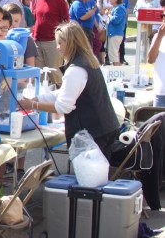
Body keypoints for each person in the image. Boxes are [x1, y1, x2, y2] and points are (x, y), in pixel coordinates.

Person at [18, 22, 119, 160]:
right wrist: (38, 99)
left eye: (60, 43)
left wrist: (33, 105)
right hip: (103, 128)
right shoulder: (88, 61)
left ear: (71, 43)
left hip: (93, 133)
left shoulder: (76, 68)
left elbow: (63, 106)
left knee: (90, 178)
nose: (57, 47)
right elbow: (65, 92)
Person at [31, 0, 69, 85]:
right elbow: (36, 19)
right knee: (40, 72)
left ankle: (61, 95)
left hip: (52, 41)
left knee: (54, 71)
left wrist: (61, 40)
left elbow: (66, 21)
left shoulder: (59, 0)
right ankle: (41, 98)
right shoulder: (38, 0)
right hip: (37, 40)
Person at [147, 4, 165, 107]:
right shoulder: (158, 37)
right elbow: (150, 59)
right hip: (161, 93)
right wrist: (159, 36)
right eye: (163, 16)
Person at [107, 0, 127, 66]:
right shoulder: (116, 8)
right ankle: (117, 70)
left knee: (113, 54)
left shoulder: (119, 8)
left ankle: (117, 72)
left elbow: (116, 20)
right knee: (114, 53)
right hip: (113, 33)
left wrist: (108, 15)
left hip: (116, 33)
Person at [114, 0, 130, 65]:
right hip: (113, 23)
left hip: (122, 23)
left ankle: (122, 58)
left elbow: (127, 10)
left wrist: (126, 22)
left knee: (122, 40)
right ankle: (111, 58)